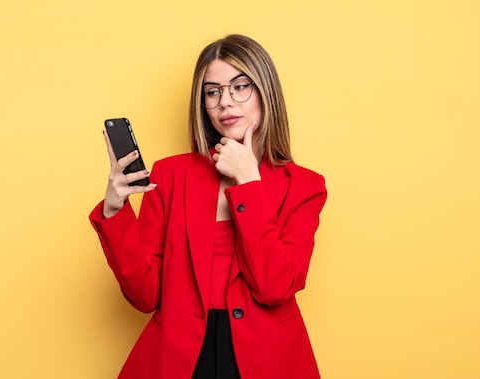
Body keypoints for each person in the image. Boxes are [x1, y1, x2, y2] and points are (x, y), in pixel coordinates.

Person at [89, 34, 328, 379]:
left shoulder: (304, 186)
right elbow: (144, 296)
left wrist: (248, 184)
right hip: (179, 359)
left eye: (240, 87)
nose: (225, 103)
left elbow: (275, 287)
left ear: (266, 93)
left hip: (265, 360)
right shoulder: (170, 175)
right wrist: (115, 211)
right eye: (213, 92)